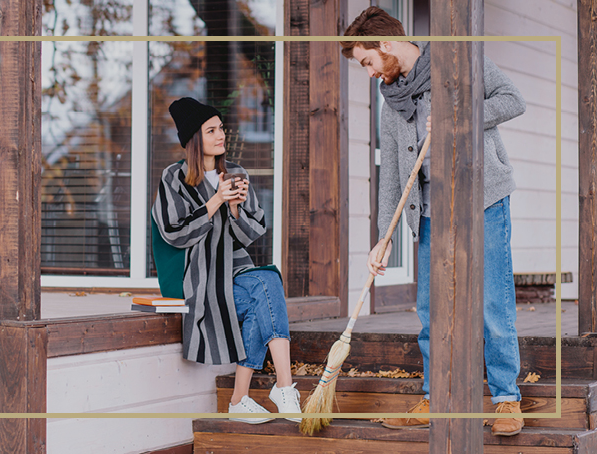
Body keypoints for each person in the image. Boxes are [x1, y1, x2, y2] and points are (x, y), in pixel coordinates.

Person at [340, 6, 526, 437]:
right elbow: (392, 175)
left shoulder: (458, 61)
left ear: (385, 45)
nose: (368, 72)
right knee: (430, 309)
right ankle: (436, 396)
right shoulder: (392, 101)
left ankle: (505, 399)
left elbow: (512, 100)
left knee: (492, 303)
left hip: (483, 199)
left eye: (367, 61)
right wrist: (382, 238)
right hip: (430, 209)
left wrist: (458, 117)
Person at [152, 97, 301, 424]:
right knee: (262, 295)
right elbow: (173, 233)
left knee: (267, 283)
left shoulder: (235, 173)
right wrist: (216, 200)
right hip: (200, 274)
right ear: (194, 139)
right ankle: (260, 395)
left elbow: (252, 233)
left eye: (221, 128)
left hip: (235, 268)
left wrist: (235, 209)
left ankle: (270, 391)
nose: (221, 135)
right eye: (211, 130)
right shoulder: (173, 179)